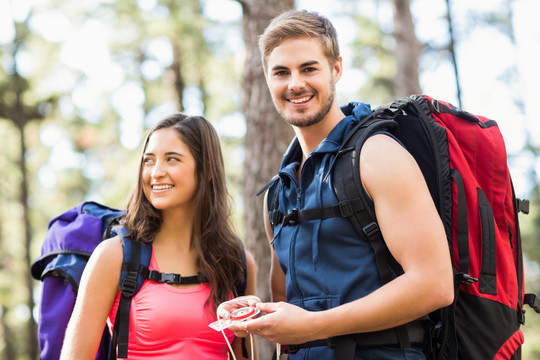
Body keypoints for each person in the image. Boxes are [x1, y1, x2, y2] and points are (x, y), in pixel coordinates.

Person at [224, 9, 454, 359]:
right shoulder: (278, 192)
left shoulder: (377, 154)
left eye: (309, 68)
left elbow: (435, 285)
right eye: (281, 72)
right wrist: (252, 316)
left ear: (336, 69)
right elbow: (289, 308)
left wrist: (316, 326)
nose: (295, 83)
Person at [60, 114, 257, 360]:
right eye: (148, 161)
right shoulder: (114, 257)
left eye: (172, 159)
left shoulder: (237, 262)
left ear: (206, 169)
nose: (156, 172)